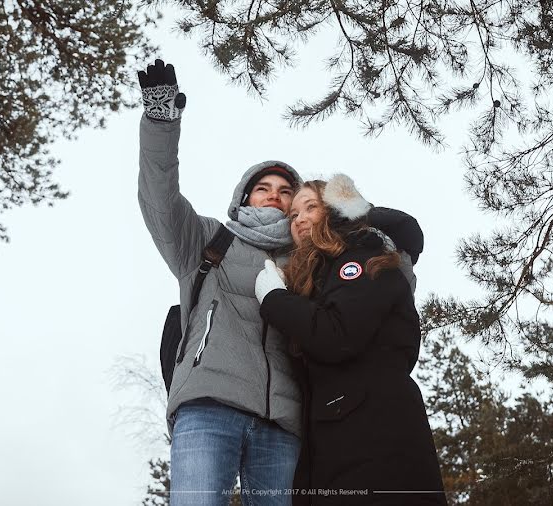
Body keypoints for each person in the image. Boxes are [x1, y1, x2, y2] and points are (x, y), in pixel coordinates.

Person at [137, 59, 302, 505]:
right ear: (244, 197)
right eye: (263, 187)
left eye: (286, 190)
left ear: (297, 204)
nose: (274, 194)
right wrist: (160, 121)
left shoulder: (307, 261)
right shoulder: (211, 241)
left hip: (283, 424)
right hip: (208, 405)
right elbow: (160, 199)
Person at [254, 175, 447, 505]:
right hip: (336, 445)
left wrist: (274, 299)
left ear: (334, 213)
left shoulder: (362, 259)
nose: (298, 218)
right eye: (293, 214)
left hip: (378, 440)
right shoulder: (321, 277)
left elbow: (336, 335)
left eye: (310, 207)